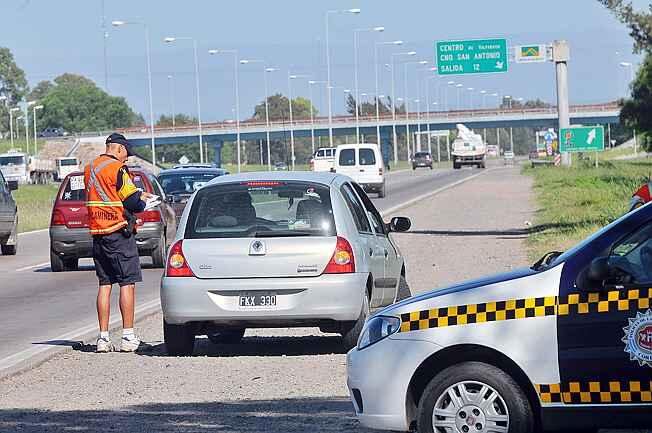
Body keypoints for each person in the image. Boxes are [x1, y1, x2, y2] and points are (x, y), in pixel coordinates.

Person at [84, 133, 153, 353]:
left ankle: (103, 339)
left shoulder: (90, 168)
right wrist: (143, 201)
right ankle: (128, 336)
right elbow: (131, 201)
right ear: (120, 149)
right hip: (118, 232)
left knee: (105, 285)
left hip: (98, 232)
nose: (126, 159)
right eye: (126, 155)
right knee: (127, 283)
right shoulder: (117, 169)